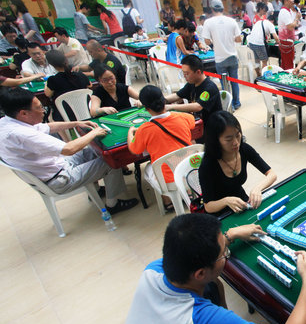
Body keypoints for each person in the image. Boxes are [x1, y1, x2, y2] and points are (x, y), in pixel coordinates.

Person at [113, 213, 306, 324]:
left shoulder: (153, 270)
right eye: (223, 253)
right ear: (200, 273)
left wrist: (230, 236)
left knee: (212, 287)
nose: (226, 254)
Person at [0, 87, 138, 214]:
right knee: (112, 160)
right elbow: (69, 149)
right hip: (59, 178)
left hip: (54, 166)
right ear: (23, 113)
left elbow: (48, 127)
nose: (43, 111)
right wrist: (94, 133)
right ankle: (113, 204)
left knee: (93, 151)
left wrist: (76, 123)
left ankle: (96, 189)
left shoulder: (8, 121)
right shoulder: (22, 134)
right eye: (39, 107)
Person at [127, 85, 195, 210]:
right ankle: (189, 193)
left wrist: (130, 133)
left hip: (168, 180)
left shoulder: (144, 130)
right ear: (164, 101)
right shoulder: (182, 117)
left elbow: (135, 149)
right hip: (190, 170)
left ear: (146, 108)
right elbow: (192, 122)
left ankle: (168, 201)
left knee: (148, 167)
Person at [199, 111, 277, 214]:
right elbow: (208, 206)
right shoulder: (207, 165)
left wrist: (258, 188)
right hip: (221, 212)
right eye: (229, 139)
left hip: (242, 204)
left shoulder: (244, 149)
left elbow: (272, 174)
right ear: (216, 141)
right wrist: (226, 201)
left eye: (237, 135)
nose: (236, 142)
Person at [203, 0, 242, 110]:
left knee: (225, 84)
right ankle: (236, 102)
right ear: (222, 8)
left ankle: (228, 106)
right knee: (235, 82)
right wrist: (230, 39)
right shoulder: (231, 21)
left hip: (220, 58)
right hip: (233, 56)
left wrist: (215, 41)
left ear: (212, 9)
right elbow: (239, 39)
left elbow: (206, 41)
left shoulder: (208, 22)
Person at [165, 55, 223, 123]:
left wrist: (171, 107)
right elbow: (177, 95)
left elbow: (198, 106)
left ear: (198, 72)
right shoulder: (192, 83)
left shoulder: (209, 88)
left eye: (186, 73)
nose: (184, 76)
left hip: (211, 126)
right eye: (183, 73)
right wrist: (160, 99)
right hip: (197, 123)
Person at [44, 50, 91, 122]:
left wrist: (46, 82)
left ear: (51, 64)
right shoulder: (80, 75)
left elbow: (48, 94)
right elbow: (90, 85)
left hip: (64, 115)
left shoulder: (53, 80)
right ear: (66, 60)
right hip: (85, 111)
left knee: (49, 116)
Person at [248, 8, 279, 76]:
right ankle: (264, 76)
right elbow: (276, 37)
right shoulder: (271, 24)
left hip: (250, 43)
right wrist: (280, 43)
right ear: (273, 21)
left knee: (256, 61)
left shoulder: (260, 22)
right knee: (264, 60)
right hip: (259, 44)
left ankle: (258, 75)